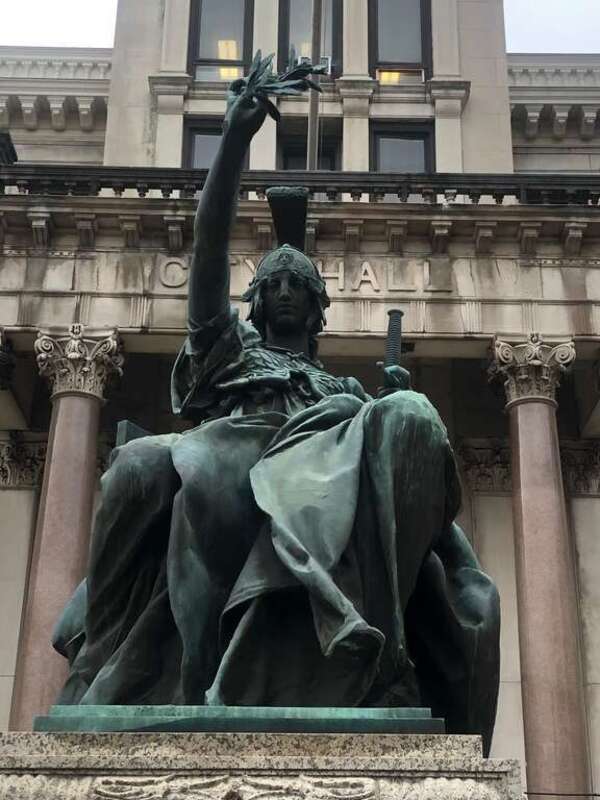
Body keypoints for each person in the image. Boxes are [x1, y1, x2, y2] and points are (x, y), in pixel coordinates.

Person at [53, 71, 500, 754]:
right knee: (138, 465)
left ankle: (377, 656)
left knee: (407, 413)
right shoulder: (228, 353)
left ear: (318, 307)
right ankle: (102, 660)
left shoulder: (340, 394)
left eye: (300, 284)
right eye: (274, 284)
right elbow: (206, 254)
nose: (286, 291)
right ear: (255, 301)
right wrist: (234, 138)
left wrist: (385, 414)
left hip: (313, 468)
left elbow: (380, 442)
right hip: (227, 458)